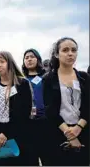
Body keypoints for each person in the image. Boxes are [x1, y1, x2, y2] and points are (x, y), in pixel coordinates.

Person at [43, 37, 89, 165]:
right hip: (57, 131)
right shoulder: (48, 79)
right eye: (65, 50)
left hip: (83, 130)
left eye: (74, 50)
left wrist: (78, 128)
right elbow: (50, 109)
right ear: (57, 54)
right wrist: (69, 134)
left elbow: (88, 105)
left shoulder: (84, 77)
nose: (70, 53)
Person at [0, 51, 32, 166]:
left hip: (17, 131)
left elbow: (24, 112)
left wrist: (6, 133)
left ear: (10, 63)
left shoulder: (22, 84)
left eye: (2, 62)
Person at [22, 48, 50, 165]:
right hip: (27, 124)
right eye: (26, 57)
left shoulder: (47, 77)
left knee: (48, 157)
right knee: (30, 159)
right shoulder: (20, 80)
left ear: (38, 59)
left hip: (46, 123)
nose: (29, 59)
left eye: (32, 57)